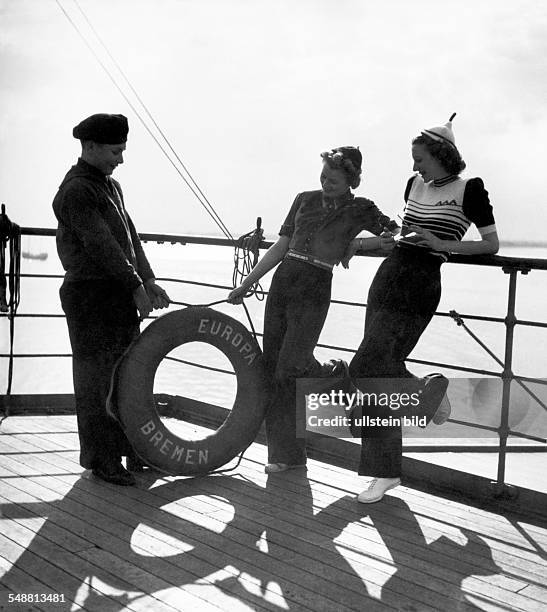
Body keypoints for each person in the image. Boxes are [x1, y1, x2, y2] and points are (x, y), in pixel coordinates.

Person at [343, 115, 499, 503]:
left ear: (442, 155)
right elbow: (399, 233)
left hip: (422, 281)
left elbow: (490, 244)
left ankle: (425, 393)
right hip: (389, 273)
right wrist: (361, 243)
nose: (414, 167)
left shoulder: (470, 189)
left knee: (368, 367)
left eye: (420, 159)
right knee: (376, 375)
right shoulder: (413, 184)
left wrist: (439, 242)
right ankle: (384, 474)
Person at [228, 146, 398, 473]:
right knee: (275, 368)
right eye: (323, 176)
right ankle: (285, 455)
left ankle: (337, 374)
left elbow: (395, 235)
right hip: (285, 280)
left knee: (291, 366)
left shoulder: (362, 208)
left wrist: (358, 244)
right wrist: (247, 283)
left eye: (333, 179)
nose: (325, 183)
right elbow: (281, 245)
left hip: (316, 283)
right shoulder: (303, 199)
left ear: (351, 179)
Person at [52, 113, 170, 486]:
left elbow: (129, 239)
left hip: (116, 293)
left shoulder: (110, 187)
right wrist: (135, 285)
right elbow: (101, 245)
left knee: (126, 377)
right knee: (96, 380)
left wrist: (147, 280)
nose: (121, 159)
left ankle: (131, 450)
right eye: (116, 151)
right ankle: (101, 459)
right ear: (90, 147)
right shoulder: (75, 191)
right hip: (90, 296)